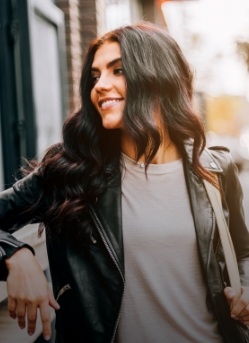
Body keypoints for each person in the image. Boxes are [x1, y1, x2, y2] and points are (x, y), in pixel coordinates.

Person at [0, 22, 249, 343]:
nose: (100, 85)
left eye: (117, 70)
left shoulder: (216, 169)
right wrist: (16, 255)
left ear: (158, 76)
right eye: (94, 76)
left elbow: (243, 251)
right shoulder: (69, 171)